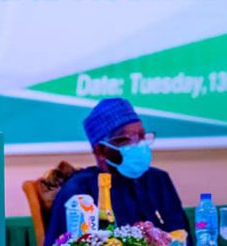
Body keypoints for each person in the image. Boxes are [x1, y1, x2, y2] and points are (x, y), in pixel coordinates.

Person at [44, 98, 190, 246]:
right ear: (100, 151)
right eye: (125, 139)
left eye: (141, 136)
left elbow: (183, 236)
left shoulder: (158, 180)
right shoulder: (80, 191)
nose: (138, 145)